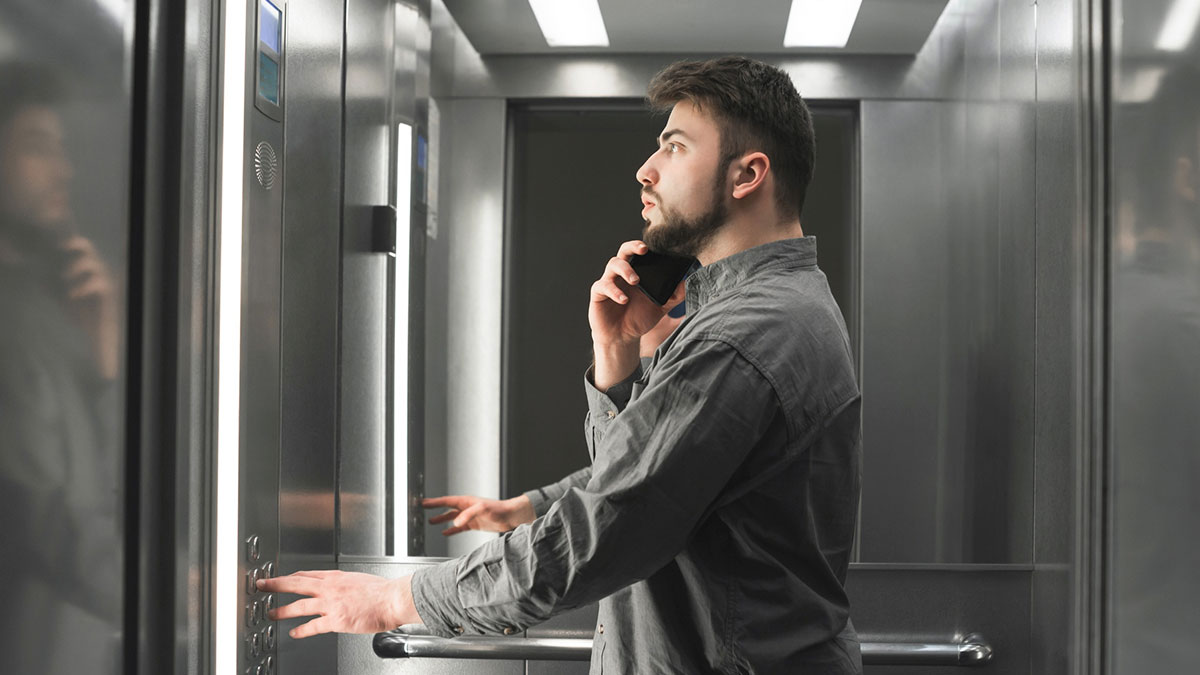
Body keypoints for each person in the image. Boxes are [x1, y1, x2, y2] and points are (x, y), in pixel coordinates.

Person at [260, 55, 863, 674]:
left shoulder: (743, 336)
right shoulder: (764, 311)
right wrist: (616, 360)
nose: (645, 170)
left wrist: (395, 597)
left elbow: (612, 524)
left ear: (747, 175)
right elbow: (649, 478)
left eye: (675, 147)